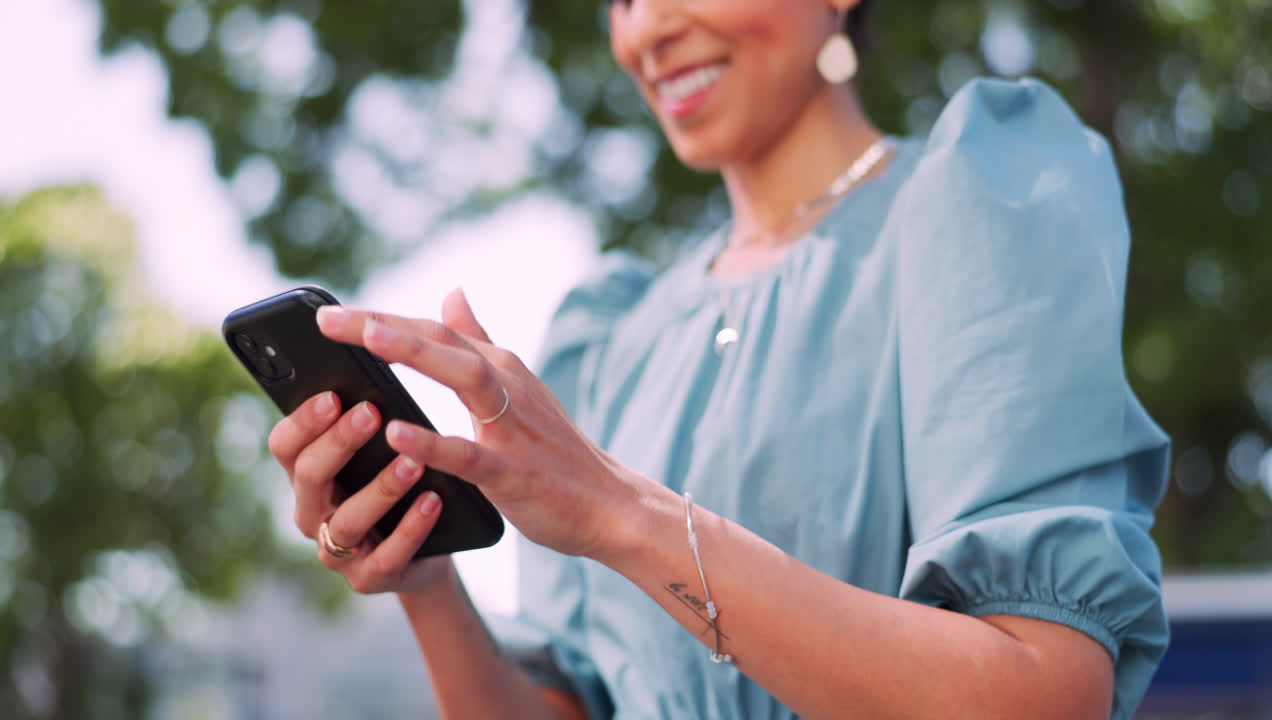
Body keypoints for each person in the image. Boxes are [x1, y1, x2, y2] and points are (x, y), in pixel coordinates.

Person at [266, 1, 1170, 718]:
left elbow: (1045, 695)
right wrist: (427, 578)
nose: (646, 28)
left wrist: (617, 512)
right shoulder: (612, 337)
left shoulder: (984, 203)